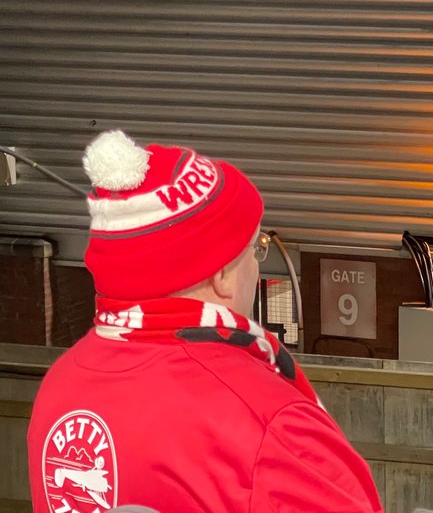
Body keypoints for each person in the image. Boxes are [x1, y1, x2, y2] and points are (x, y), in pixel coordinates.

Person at [27, 130, 382, 512]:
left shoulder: (59, 388)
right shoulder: (270, 424)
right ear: (223, 273)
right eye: (255, 248)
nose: (255, 267)